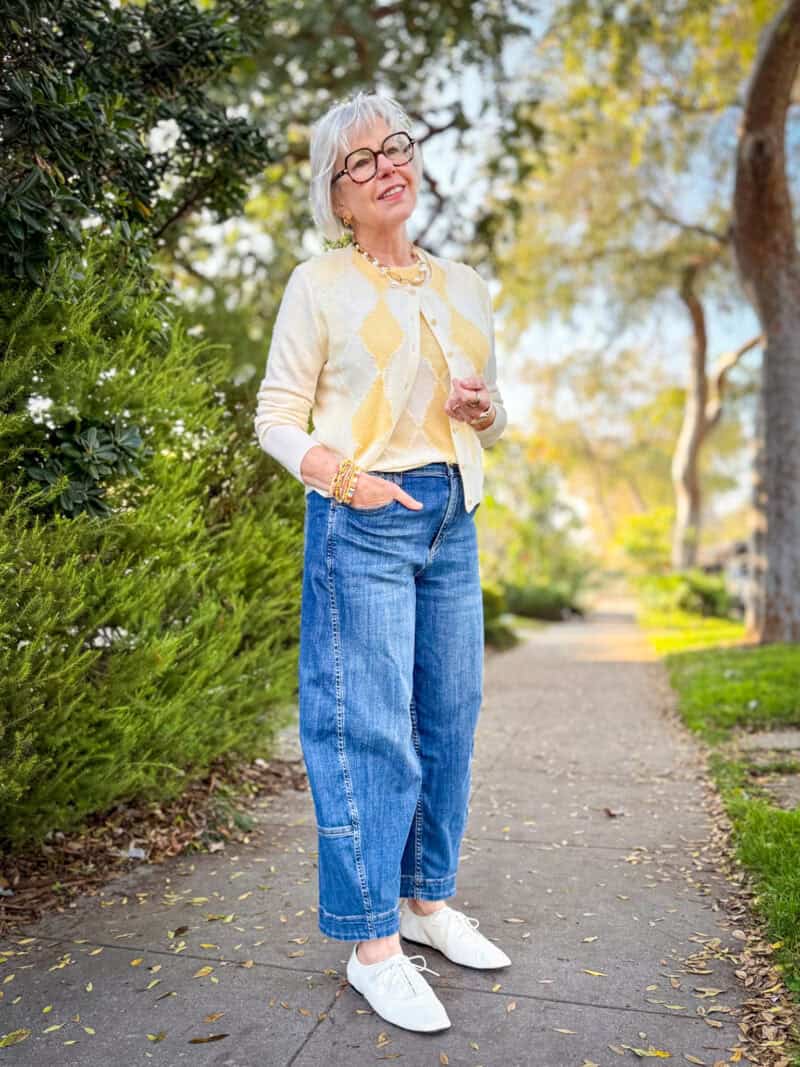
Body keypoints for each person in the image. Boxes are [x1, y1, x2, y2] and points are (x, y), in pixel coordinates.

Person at [253, 91, 510, 1034]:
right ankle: (371, 944)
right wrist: (346, 481)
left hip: (452, 512)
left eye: (395, 147)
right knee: (369, 730)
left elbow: (490, 411)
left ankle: (426, 902)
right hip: (363, 517)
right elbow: (276, 417)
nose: (387, 165)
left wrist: (485, 416)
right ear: (338, 194)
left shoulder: (466, 284)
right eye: (361, 161)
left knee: (449, 714)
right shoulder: (317, 283)